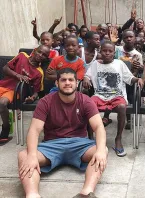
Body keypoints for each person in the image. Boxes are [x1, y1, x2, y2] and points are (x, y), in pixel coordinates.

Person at [18, 68, 108, 198]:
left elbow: (99, 127)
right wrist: (32, 155)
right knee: (23, 156)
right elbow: (34, 130)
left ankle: (86, 193)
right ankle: (32, 195)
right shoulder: (45, 102)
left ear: (77, 83)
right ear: (56, 83)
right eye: (63, 80)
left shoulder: (86, 100)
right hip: (51, 145)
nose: (67, 83)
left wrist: (99, 150)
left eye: (71, 80)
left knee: (102, 150)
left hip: (80, 145)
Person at [83, 41, 144, 157]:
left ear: (114, 53)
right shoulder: (95, 64)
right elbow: (88, 75)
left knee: (122, 106)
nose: (107, 53)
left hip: (117, 95)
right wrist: (86, 78)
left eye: (110, 51)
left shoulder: (119, 64)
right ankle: (90, 138)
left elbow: (129, 78)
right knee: (88, 104)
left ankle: (118, 139)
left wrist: (138, 79)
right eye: (104, 51)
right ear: (100, 52)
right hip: (99, 95)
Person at [0, 45, 50, 143]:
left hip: (15, 91)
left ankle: (6, 127)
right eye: (39, 52)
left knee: (2, 103)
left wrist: (32, 98)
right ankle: (11, 115)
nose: (40, 55)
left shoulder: (39, 73)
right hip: (3, 85)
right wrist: (18, 75)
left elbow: (37, 91)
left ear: (45, 58)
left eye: (44, 55)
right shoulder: (22, 56)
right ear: (35, 50)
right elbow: (5, 68)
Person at [103, 29, 143, 129]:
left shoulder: (137, 55)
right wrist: (112, 42)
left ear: (135, 39)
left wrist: (138, 68)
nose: (128, 39)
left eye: (131, 37)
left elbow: (137, 72)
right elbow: (107, 57)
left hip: (128, 79)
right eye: (126, 37)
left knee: (130, 89)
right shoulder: (116, 49)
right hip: (113, 77)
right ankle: (106, 116)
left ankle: (128, 119)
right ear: (123, 39)